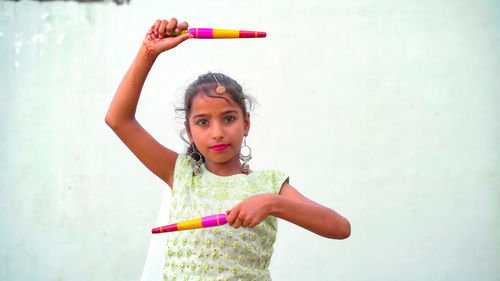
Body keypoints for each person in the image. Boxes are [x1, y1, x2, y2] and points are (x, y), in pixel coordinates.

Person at [105, 18, 350, 281]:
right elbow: (118, 120)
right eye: (202, 122)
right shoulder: (181, 174)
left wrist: (273, 203)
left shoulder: (268, 185)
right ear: (189, 132)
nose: (218, 131)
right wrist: (148, 51)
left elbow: (339, 227)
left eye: (229, 118)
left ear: (246, 124)